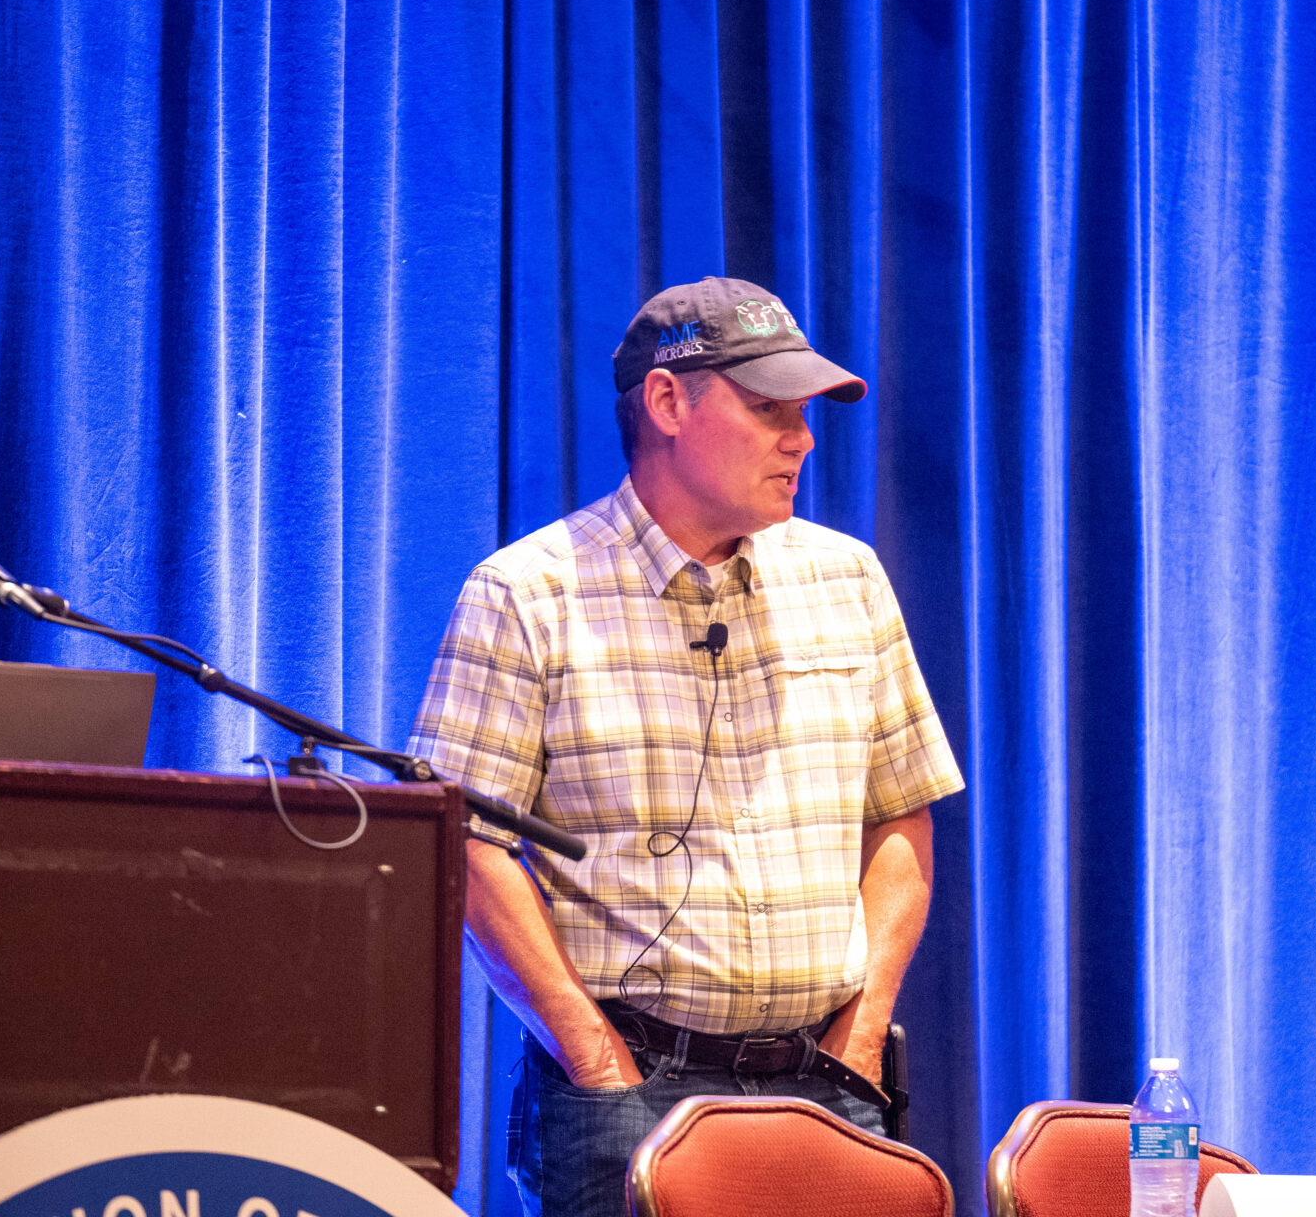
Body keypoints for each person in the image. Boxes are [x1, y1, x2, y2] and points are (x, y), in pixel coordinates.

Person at [408, 276, 964, 1217]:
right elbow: (465, 844)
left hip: (828, 1082)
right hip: (626, 1092)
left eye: (804, 412)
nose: (803, 438)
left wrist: (862, 1035)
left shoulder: (849, 579)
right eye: (769, 409)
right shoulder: (528, 594)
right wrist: (593, 1055)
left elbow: (899, 815)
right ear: (668, 402)